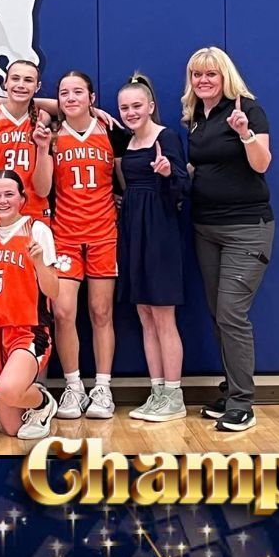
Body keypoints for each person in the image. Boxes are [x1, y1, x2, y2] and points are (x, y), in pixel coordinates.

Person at [183, 46, 274, 432]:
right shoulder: (194, 117)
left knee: (232, 315)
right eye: (197, 74)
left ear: (225, 77)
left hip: (246, 228)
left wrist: (245, 134)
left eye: (211, 74)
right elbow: (202, 167)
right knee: (219, 317)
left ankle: (243, 403)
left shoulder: (247, 109)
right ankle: (231, 389)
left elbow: (262, 163)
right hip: (206, 228)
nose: (203, 80)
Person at [33, 70, 130, 421]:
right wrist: (44, 146)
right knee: (62, 312)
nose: (71, 98)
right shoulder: (52, 135)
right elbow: (43, 189)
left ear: (92, 97)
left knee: (101, 312)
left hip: (104, 233)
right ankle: (73, 387)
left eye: (79, 92)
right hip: (65, 235)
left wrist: (123, 200)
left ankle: (102, 386)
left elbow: (124, 180)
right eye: (64, 93)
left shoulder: (110, 131)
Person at [116, 73, 189, 422]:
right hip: (132, 229)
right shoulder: (126, 142)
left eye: (136, 106)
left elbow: (183, 187)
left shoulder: (167, 137)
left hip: (160, 230)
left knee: (163, 315)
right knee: (144, 314)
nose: (130, 112)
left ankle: (174, 396)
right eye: (124, 108)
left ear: (151, 106)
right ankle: (157, 390)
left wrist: (166, 173)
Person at [0, 170, 60, 439]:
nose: (2, 200)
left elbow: (54, 290)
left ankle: (43, 402)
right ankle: (33, 405)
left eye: (9, 194)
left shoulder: (37, 230)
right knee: (13, 430)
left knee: (9, 391)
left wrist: (39, 262)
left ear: (22, 198)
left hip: (28, 330)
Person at [0, 60, 52, 227]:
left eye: (28, 80)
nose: (21, 85)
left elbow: (66, 107)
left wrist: (92, 110)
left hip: (33, 209)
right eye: (15, 78)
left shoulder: (42, 117)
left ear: (37, 87)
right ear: (5, 83)